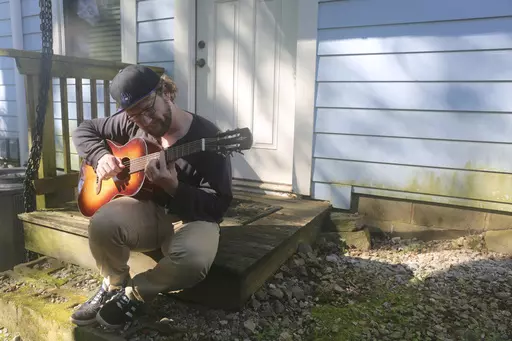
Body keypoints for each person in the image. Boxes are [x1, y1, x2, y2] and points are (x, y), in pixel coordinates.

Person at [70, 65, 233, 329]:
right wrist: (101, 158)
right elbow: (84, 130)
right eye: (135, 117)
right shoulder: (129, 120)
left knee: (194, 260)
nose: (144, 121)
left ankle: (135, 292)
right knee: (101, 221)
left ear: (167, 92)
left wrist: (174, 188)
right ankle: (113, 284)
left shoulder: (208, 138)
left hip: (190, 217)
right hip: (146, 208)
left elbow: (218, 207)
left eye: (148, 109)